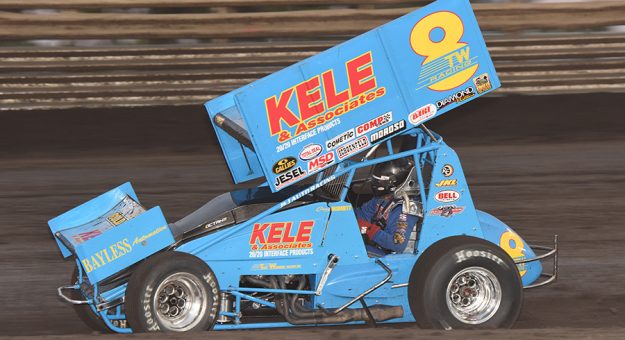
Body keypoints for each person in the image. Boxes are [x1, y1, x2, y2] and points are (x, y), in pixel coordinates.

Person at [355, 158, 421, 257]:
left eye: (381, 182)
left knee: (348, 252)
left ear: (394, 182)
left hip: (390, 255)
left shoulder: (404, 209)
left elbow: (397, 244)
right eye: (376, 181)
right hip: (375, 245)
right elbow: (363, 214)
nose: (376, 185)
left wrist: (368, 229)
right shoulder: (383, 197)